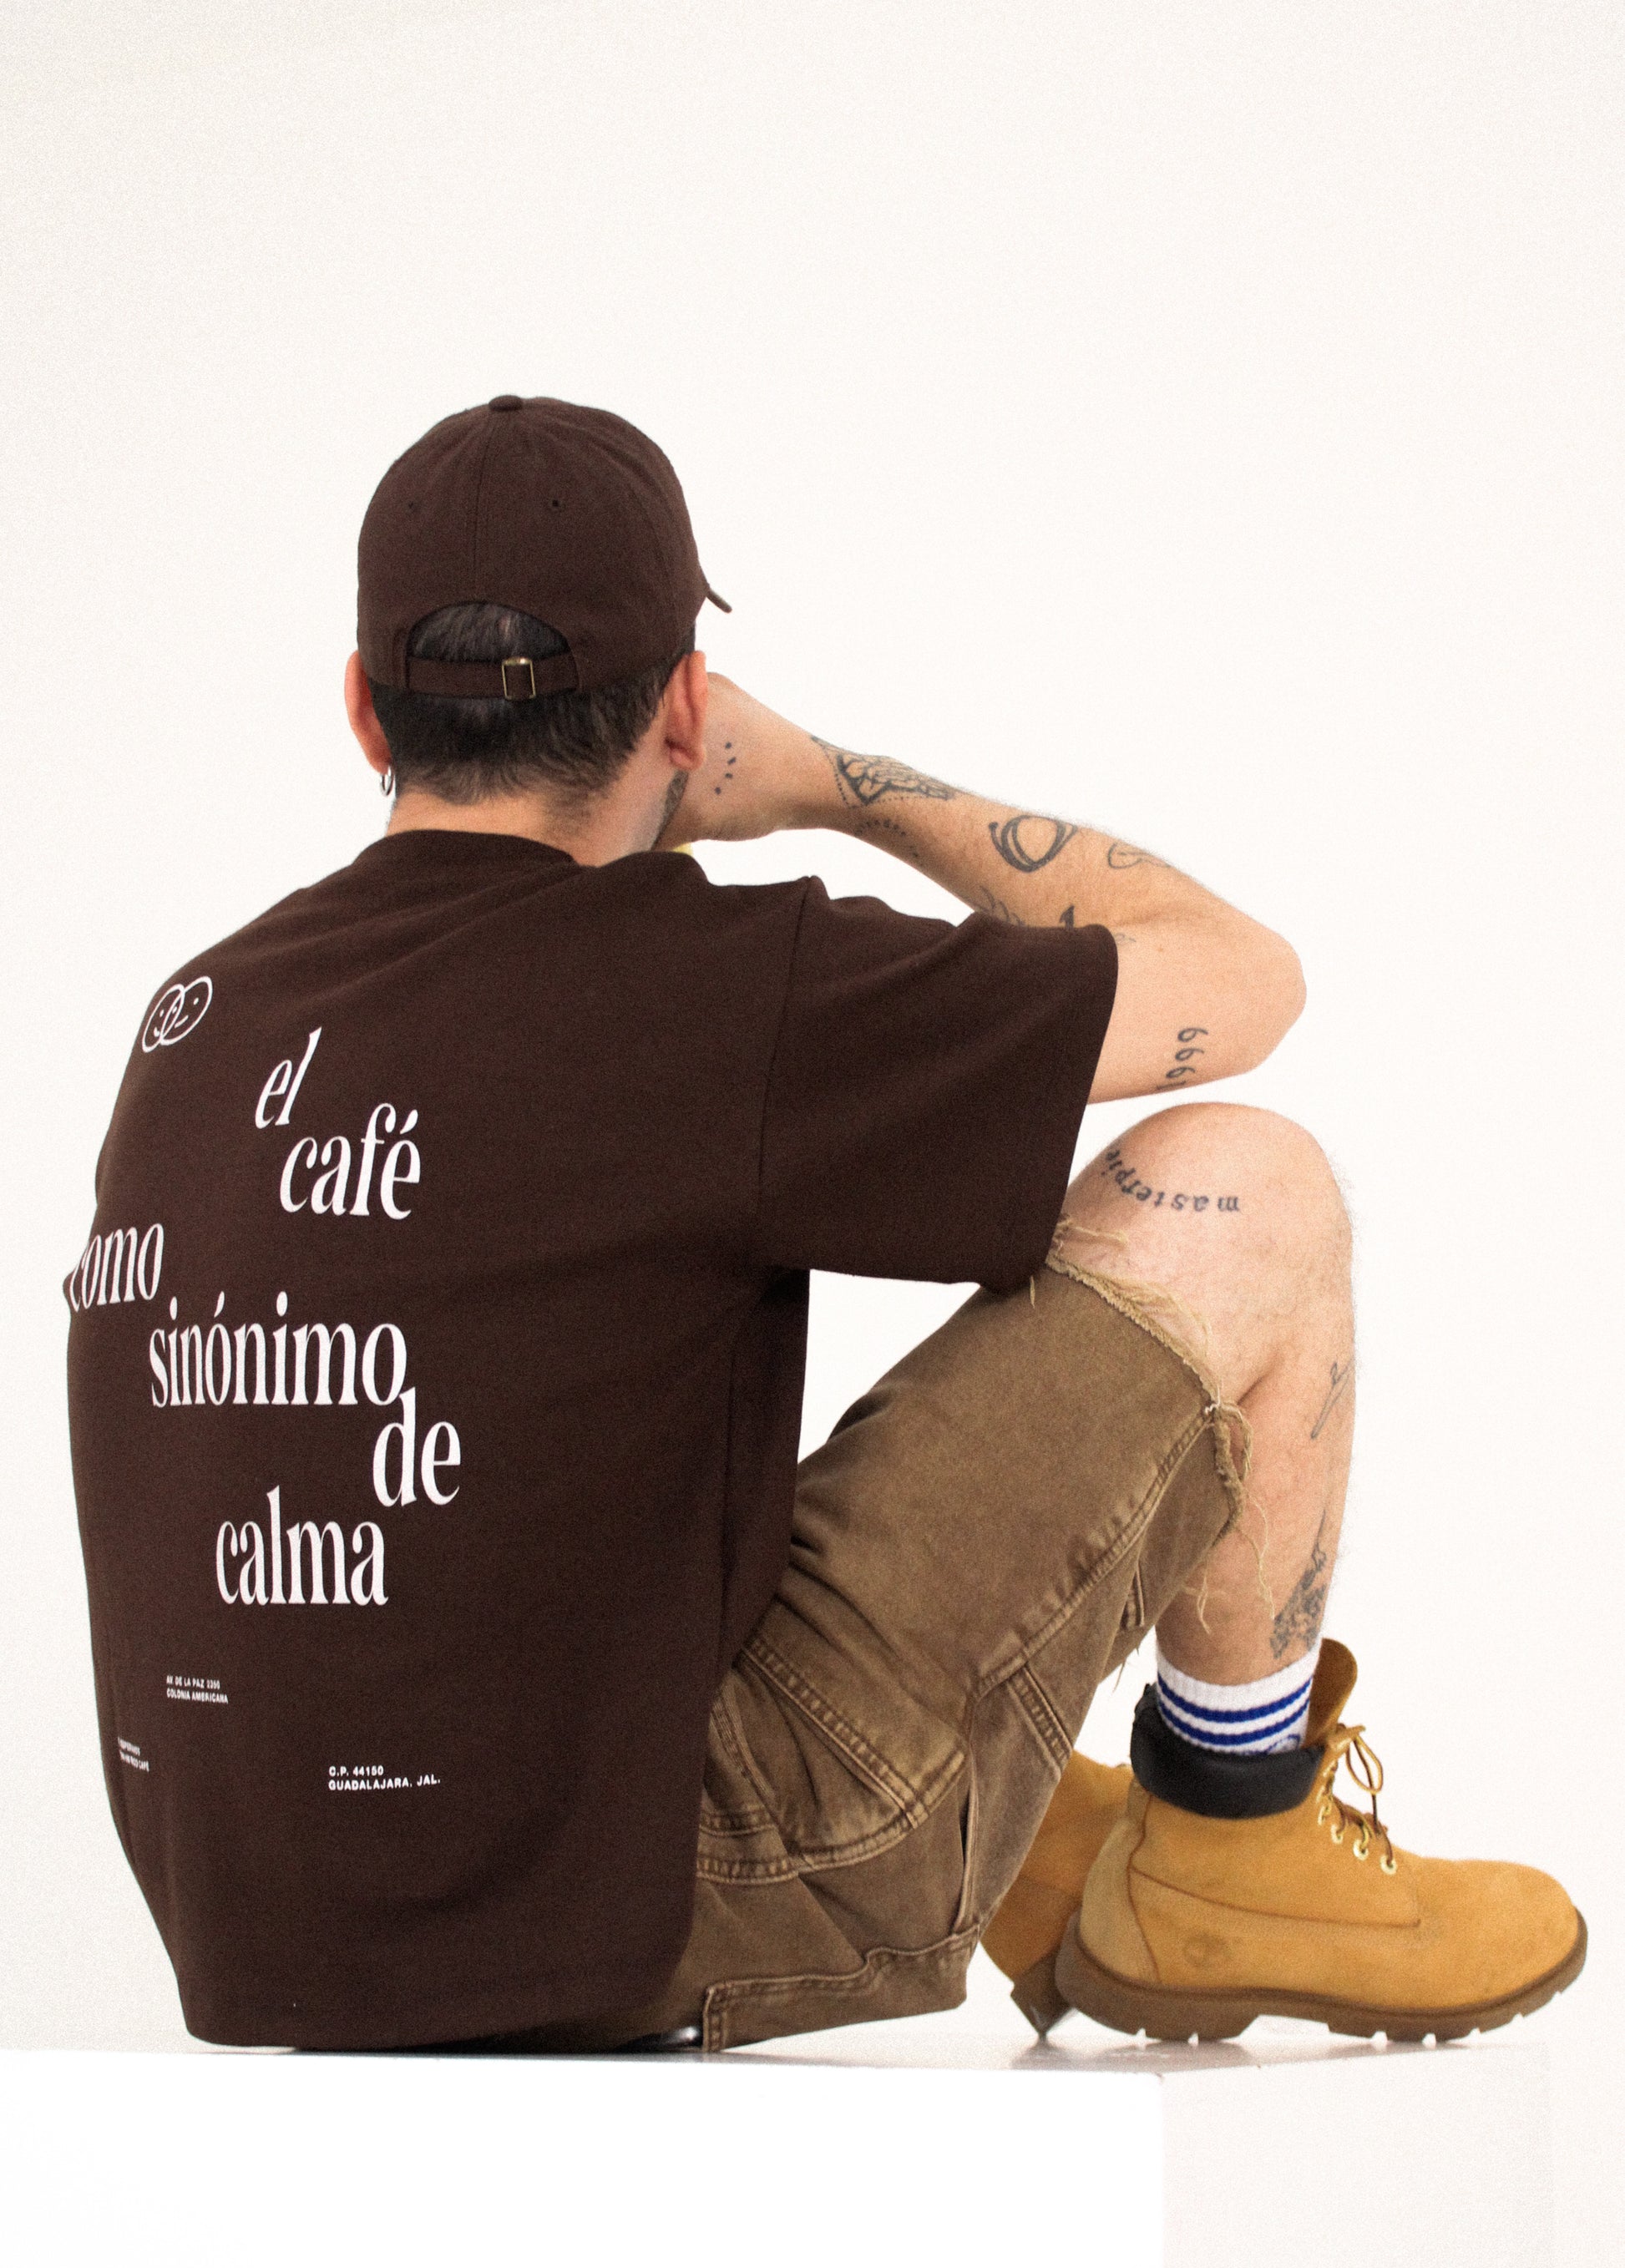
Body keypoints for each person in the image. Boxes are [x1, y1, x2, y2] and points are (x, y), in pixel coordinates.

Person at [64, 393, 1583, 2056]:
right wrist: (826, 786)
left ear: (364, 705)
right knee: (1245, 1185)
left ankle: (1040, 1817)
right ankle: (1234, 1838)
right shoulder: (706, 987)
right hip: (634, 1897)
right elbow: (1244, 980)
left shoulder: (199, 1016)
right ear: (683, 708)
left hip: (265, 1919)